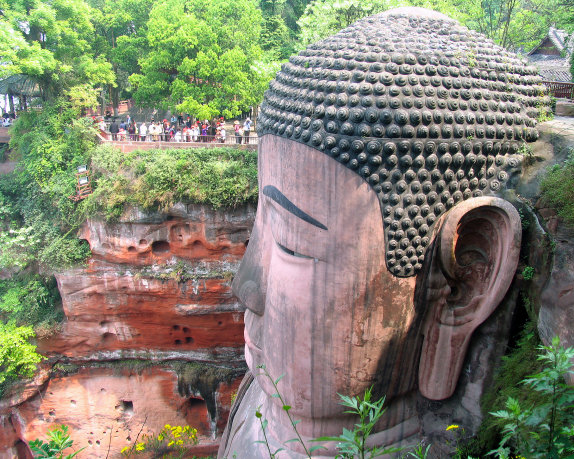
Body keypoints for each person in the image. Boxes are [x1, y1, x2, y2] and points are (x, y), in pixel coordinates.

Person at [219, 7, 543, 457]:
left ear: (465, 280)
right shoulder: (252, 405)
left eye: (290, 244)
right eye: (260, 227)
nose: (245, 288)